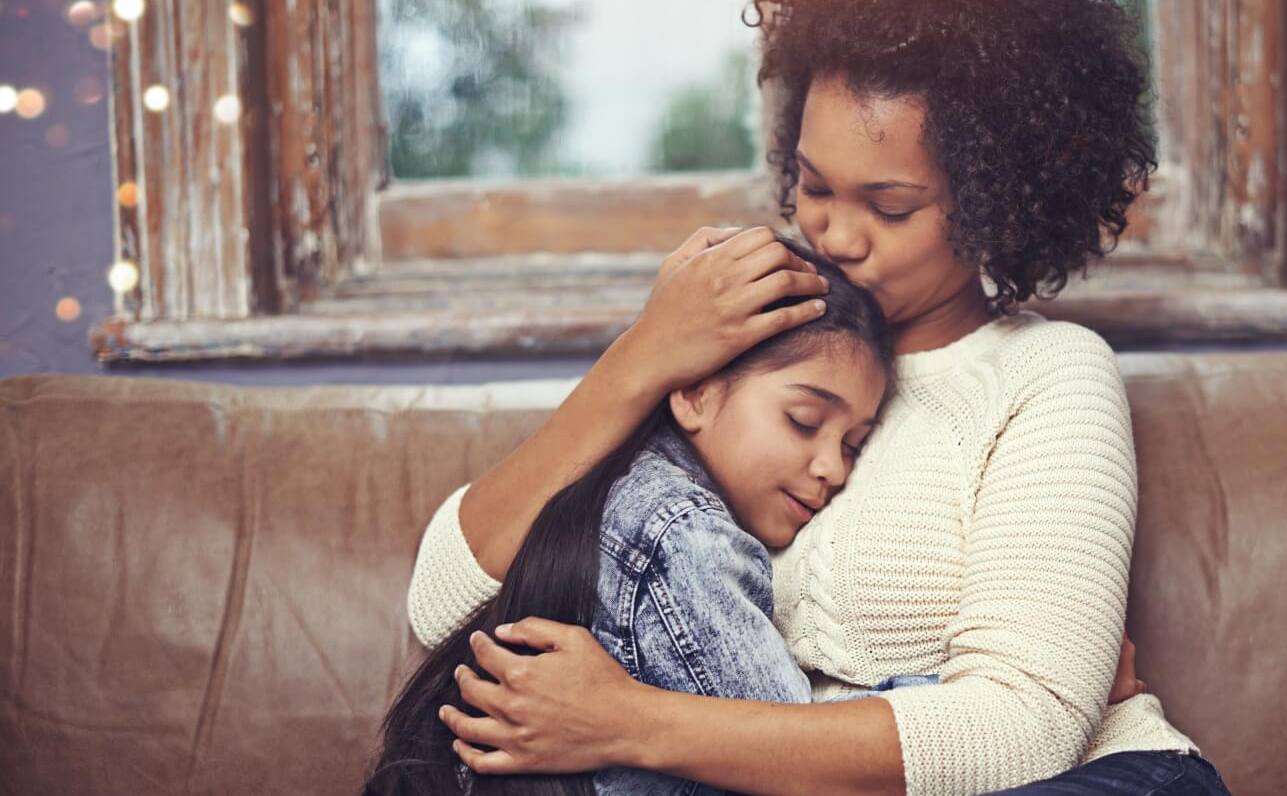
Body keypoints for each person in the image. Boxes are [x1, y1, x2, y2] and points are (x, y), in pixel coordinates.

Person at [407, 1, 1232, 794]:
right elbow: (440, 602)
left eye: (889, 206)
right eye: (815, 185)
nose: (835, 234)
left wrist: (632, 724)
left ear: (997, 203)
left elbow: (1022, 731)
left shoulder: (1047, 371)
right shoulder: (732, 347)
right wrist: (645, 357)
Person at [371, 246, 894, 796]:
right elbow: (798, 767)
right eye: (804, 421)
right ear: (694, 392)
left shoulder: (616, 491)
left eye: (855, 444)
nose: (833, 468)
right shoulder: (682, 533)